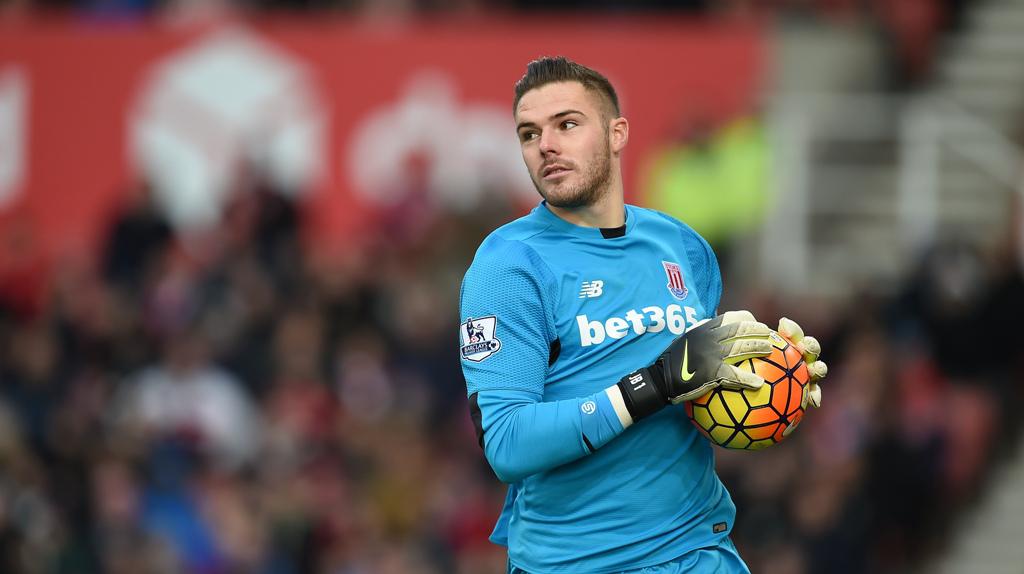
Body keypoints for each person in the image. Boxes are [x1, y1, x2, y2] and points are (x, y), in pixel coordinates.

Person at [458, 56, 827, 573]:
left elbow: (701, 394)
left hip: (698, 550)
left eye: (567, 124)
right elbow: (508, 444)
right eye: (528, 133)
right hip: (576, 562)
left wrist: (774, 378)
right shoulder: (507, 267)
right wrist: (653, 384)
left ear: (617, 133)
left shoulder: (683, 246)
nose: (546, 145)